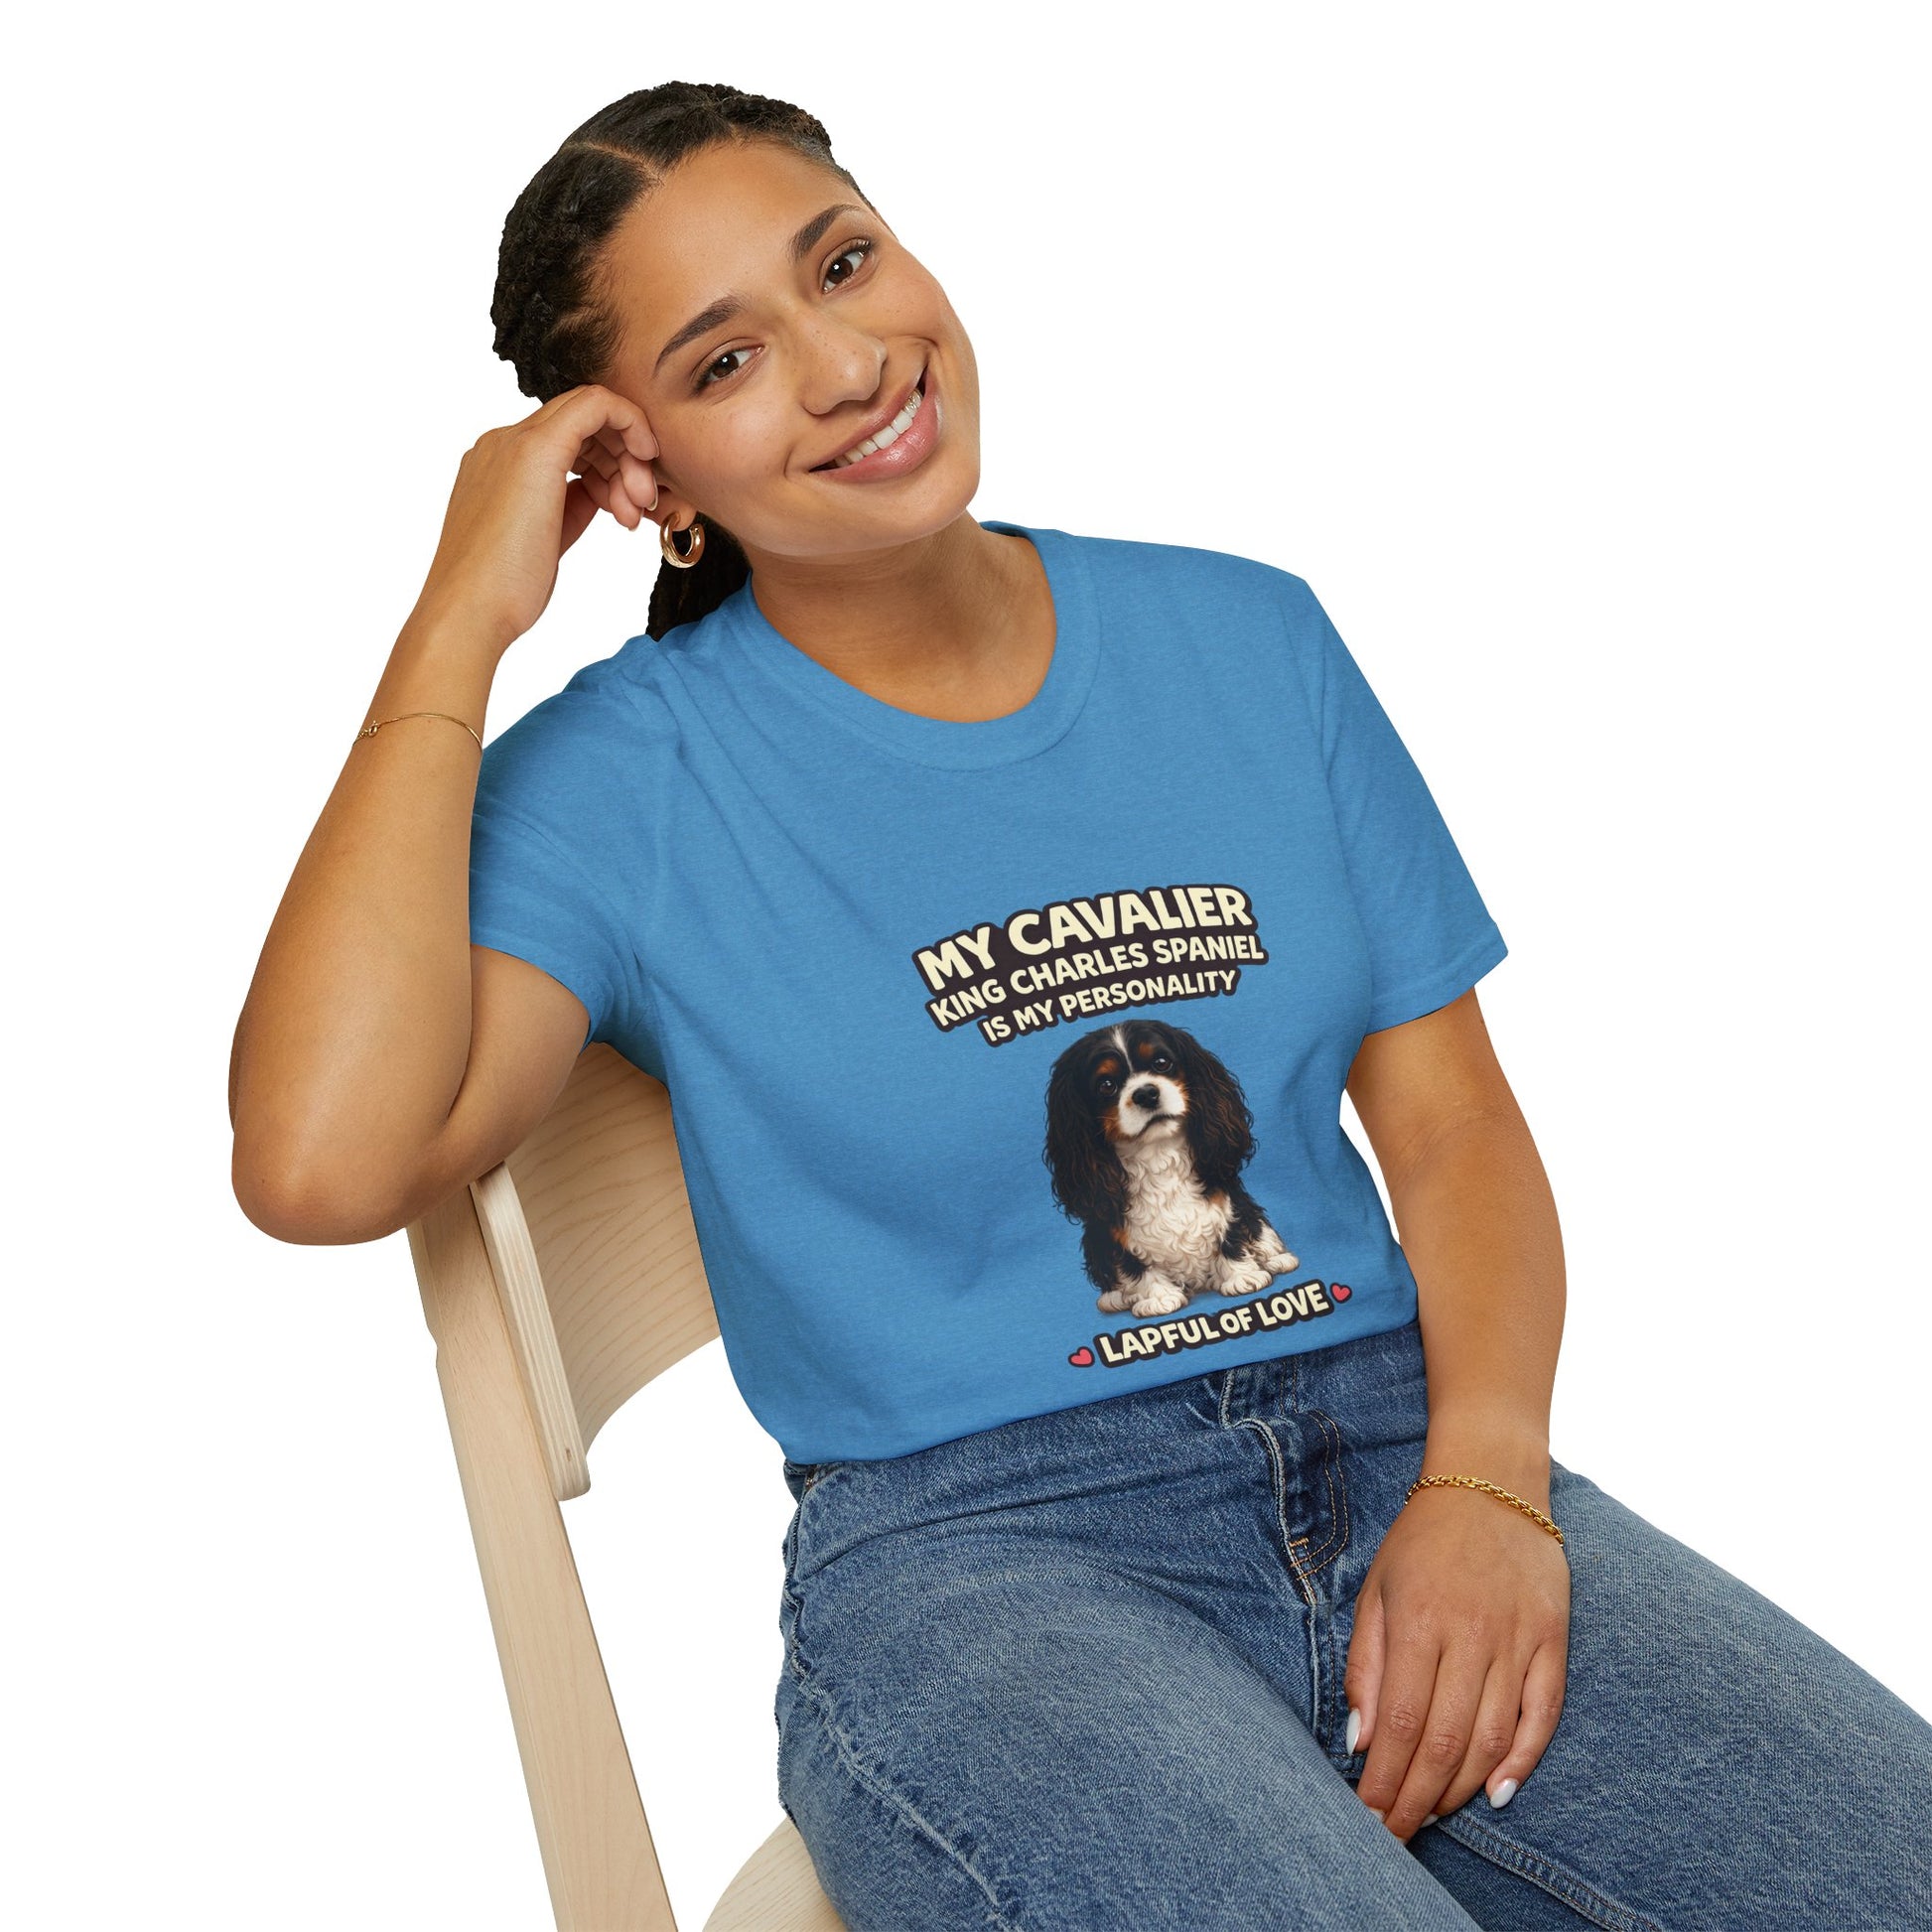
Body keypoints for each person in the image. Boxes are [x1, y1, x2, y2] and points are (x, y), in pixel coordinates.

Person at [228, 80, 1932, 1931]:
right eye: (726, 361)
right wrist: (457, 619)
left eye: (843, 264)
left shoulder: (1249, 638)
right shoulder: (629, 778)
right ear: (650, 480)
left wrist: (1490, 1483)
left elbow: (1451, 1129)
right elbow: (319, 1161)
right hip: (984, 1564)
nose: (847, 365)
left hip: (1406, 1443)